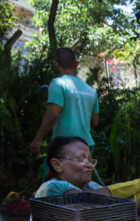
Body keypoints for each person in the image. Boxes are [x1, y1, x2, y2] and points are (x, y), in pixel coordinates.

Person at [30, 48, 99, 180]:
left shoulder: (58, 84)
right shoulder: (91, 91)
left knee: (53, 184)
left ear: (56, 64)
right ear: (76, 64)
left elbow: (52, 114)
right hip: (86, 146)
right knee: (80, 184)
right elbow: (95, 122)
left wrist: (38, 139)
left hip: (64, 146)